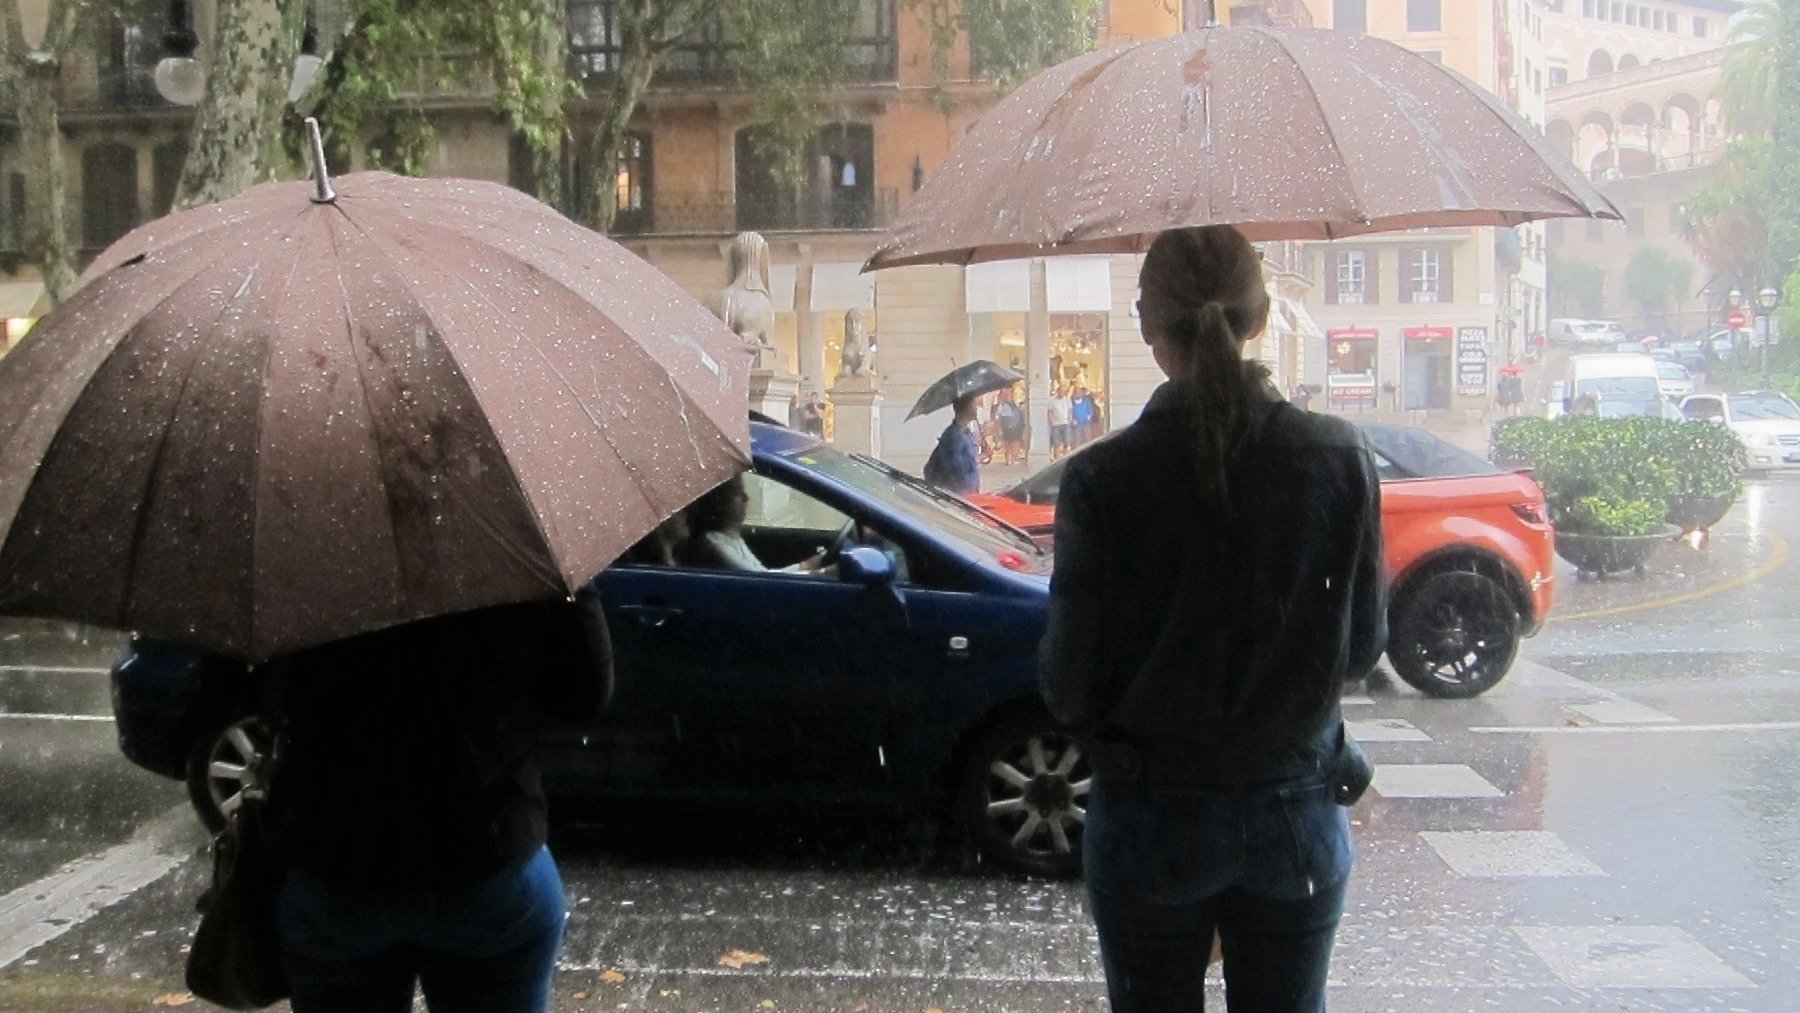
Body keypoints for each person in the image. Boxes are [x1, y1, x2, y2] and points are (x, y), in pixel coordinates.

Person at [1039, 225, 1386, 1013]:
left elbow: (1069, 686)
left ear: (1148, 329)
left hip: (1149, 822)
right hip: (1293, 817)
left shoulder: (1101, 479)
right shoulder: (1337, 456)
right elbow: (1363, 644)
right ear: (1260, 316)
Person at [267, 595, 613, 1013]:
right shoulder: (512, 546)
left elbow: (236, 689)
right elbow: (586, 694)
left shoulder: (298, 554)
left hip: (334, 865)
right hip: (490, 856)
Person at [678, 473, 827, 573]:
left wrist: (805, 566)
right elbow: (762, 582)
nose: (746, 498)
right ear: (719, 503)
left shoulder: (730, 537)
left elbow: (763, 575)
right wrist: (814, 570)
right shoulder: (714, 544)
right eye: (737, 493)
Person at [922, 394, 982, 494]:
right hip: (959, 495)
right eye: (973, 405)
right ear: (965, 408)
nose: (976, 408)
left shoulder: (966, 432)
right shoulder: (954, 436)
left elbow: (968, 463)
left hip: (969, 492)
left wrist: (983, 455)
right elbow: (959, 470)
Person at [996, 394, 1027, 465]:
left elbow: (1000, 419)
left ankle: (1012, 459)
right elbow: (1000, 419)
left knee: (1013, 444)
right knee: (1010, 444)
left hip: (1013, 428)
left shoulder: (1015, 406)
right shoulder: (1003, 406)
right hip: (1010, 428)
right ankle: (1010, 459)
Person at [1047, 386, 1074, 459]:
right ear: (1057, 392)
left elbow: (1070, 411)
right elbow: (1050, 412)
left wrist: (1069, 420)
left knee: (1067, 442)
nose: (1061, 393)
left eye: (1063, 391)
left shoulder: (1067, 400)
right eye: (1060, 391)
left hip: (1065, 423)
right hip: (1056, 424)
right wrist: (1052, 422)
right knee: (1056, 443)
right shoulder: (1052, 401)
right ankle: (1057, 458)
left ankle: (1066, 458)